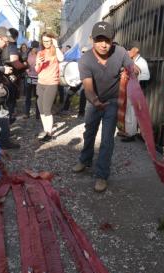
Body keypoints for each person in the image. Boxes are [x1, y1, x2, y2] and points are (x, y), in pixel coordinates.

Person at [72, 21, 134, 192]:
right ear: (92, 39)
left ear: (112, 40)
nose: (103, 45)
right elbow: (88, 88)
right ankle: (84, 160)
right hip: (94, 102)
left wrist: (133, 70)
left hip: (113, 102)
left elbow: (132, 68)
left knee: (107, 140)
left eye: (107, 40)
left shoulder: (120, 52)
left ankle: (101, 175)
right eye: (99, 40)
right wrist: (95, 101)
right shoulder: (85, 60)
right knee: (89, 132)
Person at [35, 32, 63, 142]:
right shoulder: (40, 53)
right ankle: (46, 129)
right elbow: (37, 70)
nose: (46, 43)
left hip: (51, 83)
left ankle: (49, 133)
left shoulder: (55, 51)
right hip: (41, 82)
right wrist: (38, 63)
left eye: (48, 41)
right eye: (44, 41)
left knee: (47, 108)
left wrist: (56, 45)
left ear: (52, 41)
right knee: (41, 108)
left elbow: (61, 58)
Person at [121, 40, 151, 142]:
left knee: (132, 112)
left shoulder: (141, 62)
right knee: (128, 110)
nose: (128, 51)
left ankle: (131, 134)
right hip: (129, 89)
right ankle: (127, 131)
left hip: (136, 90)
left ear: (136, 50)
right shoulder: (131, 61)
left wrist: (137, 79)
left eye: (129, 49)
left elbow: (147, 76)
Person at [24, 41, 39, 119]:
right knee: (28, 96)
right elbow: (24, 64)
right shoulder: (27, 54)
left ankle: (37, 114)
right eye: (34, 48)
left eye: (37, 48)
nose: (35, 49)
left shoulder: (40, 55)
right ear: (31, 47)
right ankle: (27, 113)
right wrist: (26, 69)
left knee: (37, 96)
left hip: (37, 78)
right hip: (29, 77)